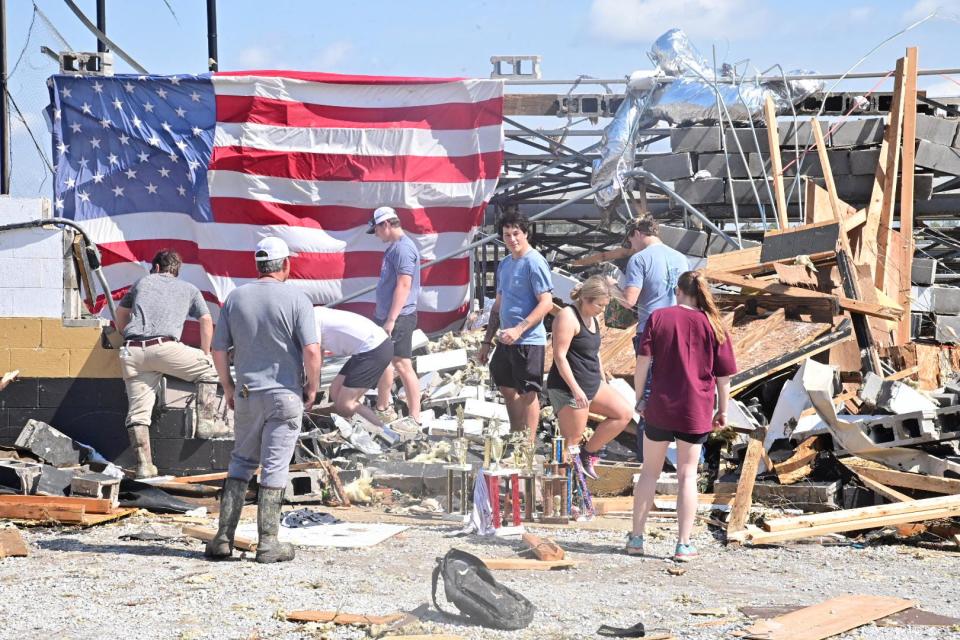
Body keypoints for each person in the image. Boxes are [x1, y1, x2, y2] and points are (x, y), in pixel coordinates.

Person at [206, 237, 321, 564]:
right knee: (275, 465)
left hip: (246, 393)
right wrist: (312, 387)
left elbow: (217, 350)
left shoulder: (235, 299)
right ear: (286, 265)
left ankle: (223, 539)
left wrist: (228, 387)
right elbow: (312, 351)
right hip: (284, 395)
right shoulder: (298, 299)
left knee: (241, 461)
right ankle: (268, 542)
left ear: (257, 266)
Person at [627, 271, 737, 562]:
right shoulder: (715, 324)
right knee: (688, 475)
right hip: (695, 408)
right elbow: (723, 377)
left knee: (650, 471)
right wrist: (722, 409)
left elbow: (643, 362)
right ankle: (683, 544)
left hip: (660, 406)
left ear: (677, 291)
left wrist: (639, 398)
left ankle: (637, 538)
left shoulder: (659, 317)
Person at [115, 249, 224, 479]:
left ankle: (144, 466)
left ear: (155, 267)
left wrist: (125, 333)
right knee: (208, 368)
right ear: (176, 270)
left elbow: (121, 312)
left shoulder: (141, 282)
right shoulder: (189, 289)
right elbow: (206, 320)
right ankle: (206, 423)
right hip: (165, 347)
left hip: (132, 352)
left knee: (137, 414)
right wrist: (206, 352)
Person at [614, 215, 688, 459]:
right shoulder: (681, 259)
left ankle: (648, 459)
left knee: (648, 396)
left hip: (650, 333)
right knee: (676, 391)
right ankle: (677, 455)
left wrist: (610, 287)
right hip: (679, 332)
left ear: (637, 233)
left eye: (629, 240)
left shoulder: (639, 259)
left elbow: (629, 301)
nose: (630, 245)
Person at [546, 276, 633, 479]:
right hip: (568, 386)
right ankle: (562, 492)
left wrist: (602, 377)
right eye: (599, 305)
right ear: (585, 299)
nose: (602, 310)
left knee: (623, 413)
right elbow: (559, 356)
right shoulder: (567, 317)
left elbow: (595, 352)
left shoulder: (592, 317)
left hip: (592, 381)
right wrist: (576, 389)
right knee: (572, 441)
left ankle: (589, 453)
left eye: (605, 305)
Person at [478, 212, 554, 443]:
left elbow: (547, 302)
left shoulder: (534, 262)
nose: (512, 239)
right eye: (506, 234)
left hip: (528, 340)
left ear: (525, 233)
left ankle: (528, 445)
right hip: (505, 339)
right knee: (505, 386)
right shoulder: (505, 264)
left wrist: (519, 329)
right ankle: (516, 434)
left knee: (529, 392)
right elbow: (498, 305)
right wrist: (486, 341)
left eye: (516, 233)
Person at [369, 206, 422, 424]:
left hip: (398, 317)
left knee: (402, 363)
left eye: (377, 230)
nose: (376, 234)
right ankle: (383, 406)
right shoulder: (396, 248)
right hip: (389, 315)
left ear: (386, 224)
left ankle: (415, 416)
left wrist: (391, 319)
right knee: (384, 361)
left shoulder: (403, 249)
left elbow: (404, 284)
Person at [316, 307, 393, 426]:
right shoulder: (313, 314)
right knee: (335, 391)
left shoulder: (310, 321)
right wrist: (312, 385)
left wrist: (311, 388)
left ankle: (387, 435)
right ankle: (356, 429)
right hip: (368, 348)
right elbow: (318, 355)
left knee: (347, 404)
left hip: (374, 348)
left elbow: (312, 354)